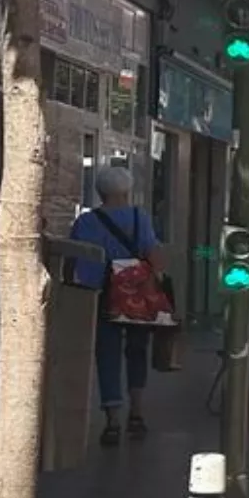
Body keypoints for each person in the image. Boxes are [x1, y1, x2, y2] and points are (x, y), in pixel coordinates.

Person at [70, 166, 167, 447]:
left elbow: (77, 258)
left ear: (101, 192)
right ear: (126, 191)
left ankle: (112, 418)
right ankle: (136, 411)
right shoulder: (140, 217)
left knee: (107, 353)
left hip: (101, 294)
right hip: (136, 291)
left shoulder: (87, 221)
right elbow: (153, 252)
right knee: (136, 351)